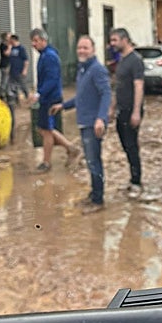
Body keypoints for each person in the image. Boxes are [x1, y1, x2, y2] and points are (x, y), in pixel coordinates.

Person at [63, 36, 111, 214]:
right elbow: (81, 97)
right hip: (84, 122)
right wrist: (63, 106)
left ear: (93, 50)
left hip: (93, 124)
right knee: (91, 162)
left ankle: (98, 201)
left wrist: (101, 118)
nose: (82, 51)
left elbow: (106, 94)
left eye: (85, 48)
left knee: (94, 161)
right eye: (79, 48)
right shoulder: (83, 70)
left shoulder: (97, 70)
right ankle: (94, 194)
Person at [29, 27, 79, 173]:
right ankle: (70, 148)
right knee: (44, 129)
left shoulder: (49, 56)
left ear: (44, 40)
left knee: (46, 130)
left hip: (50, 98)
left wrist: (39, 93)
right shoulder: (46, 55)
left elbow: (52, 79)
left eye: (36, 41)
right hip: (49, 97)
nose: (33, 44)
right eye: (32, 41)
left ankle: (47, 162)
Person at [108, 27, 145, 198]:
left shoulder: (135, 60)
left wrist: (136, 112)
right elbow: (117, 86)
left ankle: (137, 182)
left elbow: (139, 86)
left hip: (131, 109)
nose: (112, 43)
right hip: (121, 110)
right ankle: (132, 179)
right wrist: (112, 108)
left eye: (115, 40)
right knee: (125, 145)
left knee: (131, 145)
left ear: (125, 40)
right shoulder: (121, 60)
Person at [7, 34, 30, 100]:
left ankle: (27, 97)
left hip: (19, 70)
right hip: (12, 71)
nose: (10, 41)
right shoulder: (12, 48)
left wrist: (25, 70)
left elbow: (26, 60)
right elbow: (7, 54)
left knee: (23, 85)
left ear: (14, 40)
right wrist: (9, 46)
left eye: (11, 40)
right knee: (13, 86)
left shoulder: (21, 48)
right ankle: (16, 100)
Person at [0, 31, 11, 100]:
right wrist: (9, 47)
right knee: (4, 80)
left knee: (8, 80)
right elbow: (6, 53)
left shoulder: (7, 44)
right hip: (5, 65)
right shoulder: (3, 45)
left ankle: (7, 94)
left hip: (8, 64)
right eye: (9, 36)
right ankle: (2, 95)